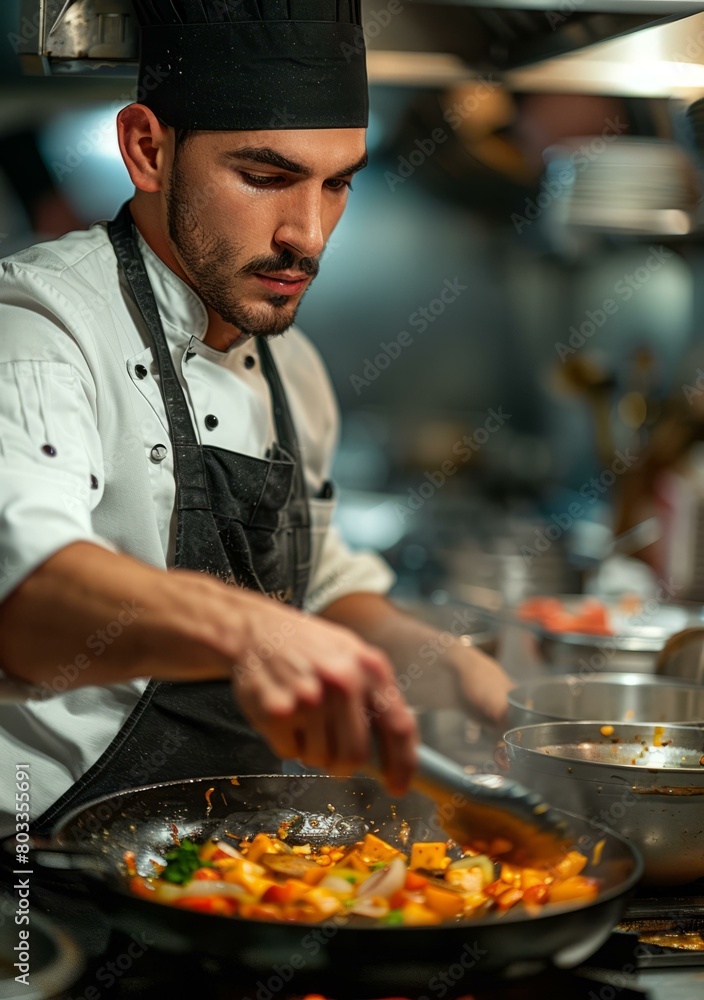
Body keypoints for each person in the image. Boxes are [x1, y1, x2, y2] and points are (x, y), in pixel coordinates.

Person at [0, 0, 513, 842]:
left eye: (338, 182)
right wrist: (251, 629)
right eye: (267, 177)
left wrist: (447, 669)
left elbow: (323, 586)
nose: (307, 235)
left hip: (229, 870)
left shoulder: (292, 368)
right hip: (50, 879)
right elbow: (26, 594)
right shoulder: (39, 326)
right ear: (147, 149)